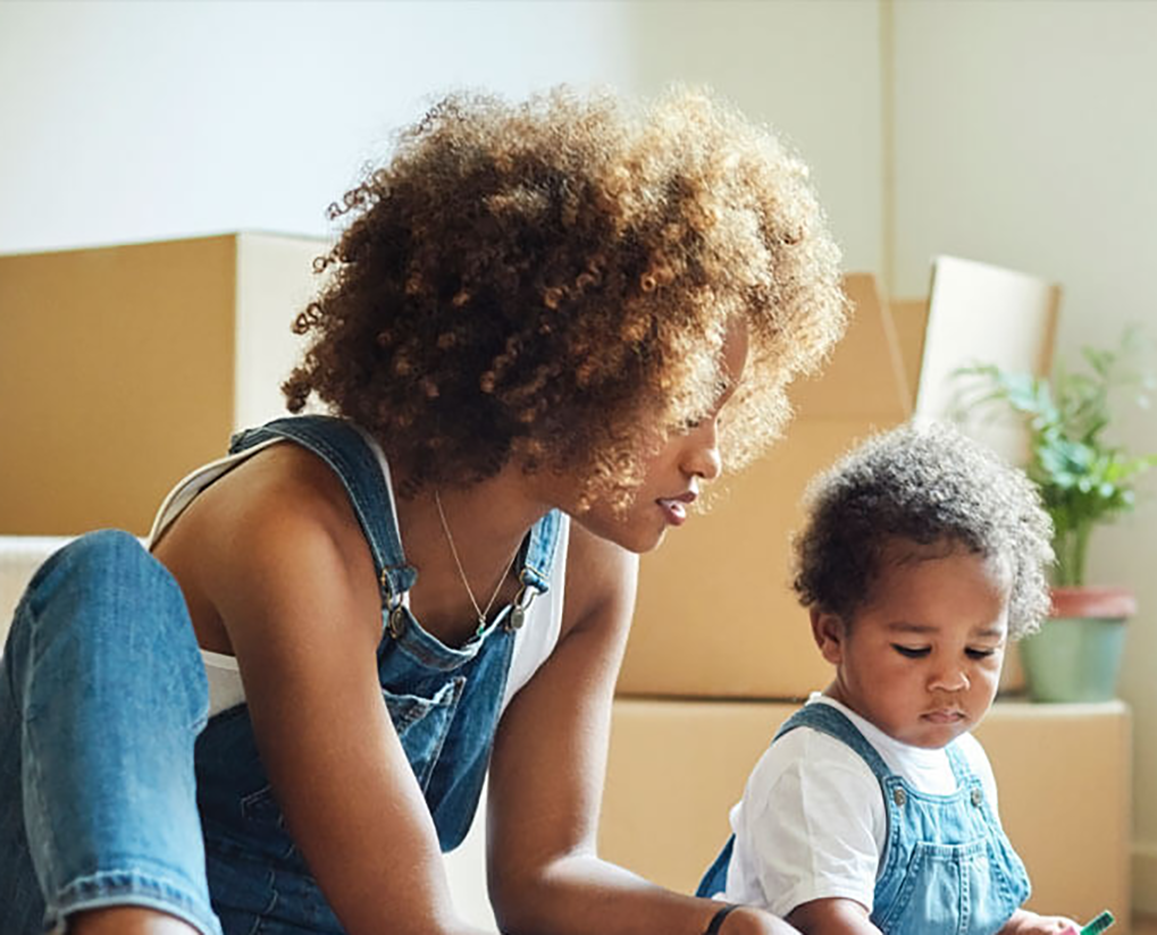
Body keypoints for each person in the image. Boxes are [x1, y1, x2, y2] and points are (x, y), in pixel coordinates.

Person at [0, 87, 849, 935]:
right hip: (109, 905)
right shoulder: (297, 526)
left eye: (724, 409)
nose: (711, 454)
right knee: (104, 575)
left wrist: (727, 926)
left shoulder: (586, 568)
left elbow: (544, 875)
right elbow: (406, 914)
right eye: (687, 401)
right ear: (562, 363)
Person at [692, 424, 1081, 935]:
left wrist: (1020, 928)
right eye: (915, 650)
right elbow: (833, 923)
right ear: (832, 634)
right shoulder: (817, 769)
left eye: (981, 651)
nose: (952, 679)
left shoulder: (963, 766)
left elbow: (967, 916)